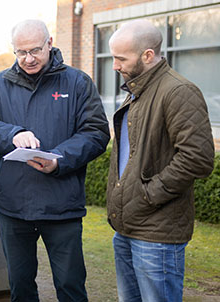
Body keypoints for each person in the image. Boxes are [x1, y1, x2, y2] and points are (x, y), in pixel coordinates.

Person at [0, 20, 110, 301]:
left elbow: (96, 133)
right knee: (20, 287)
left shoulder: (78, 82)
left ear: (50, 42)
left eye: (35, 50)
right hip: (13, 204)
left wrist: (59, 160)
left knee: (70, 286)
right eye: (20, 52)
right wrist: (13, 133)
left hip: (61, 205)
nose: (28, 58)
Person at [106, 19, 215, 302]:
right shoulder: (136, 90)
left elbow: (198, 158)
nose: (115, 65)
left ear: (148, 56)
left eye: (120, 58)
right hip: (126, 228)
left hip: (158, 234)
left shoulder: (179, 92)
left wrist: (147, 196)